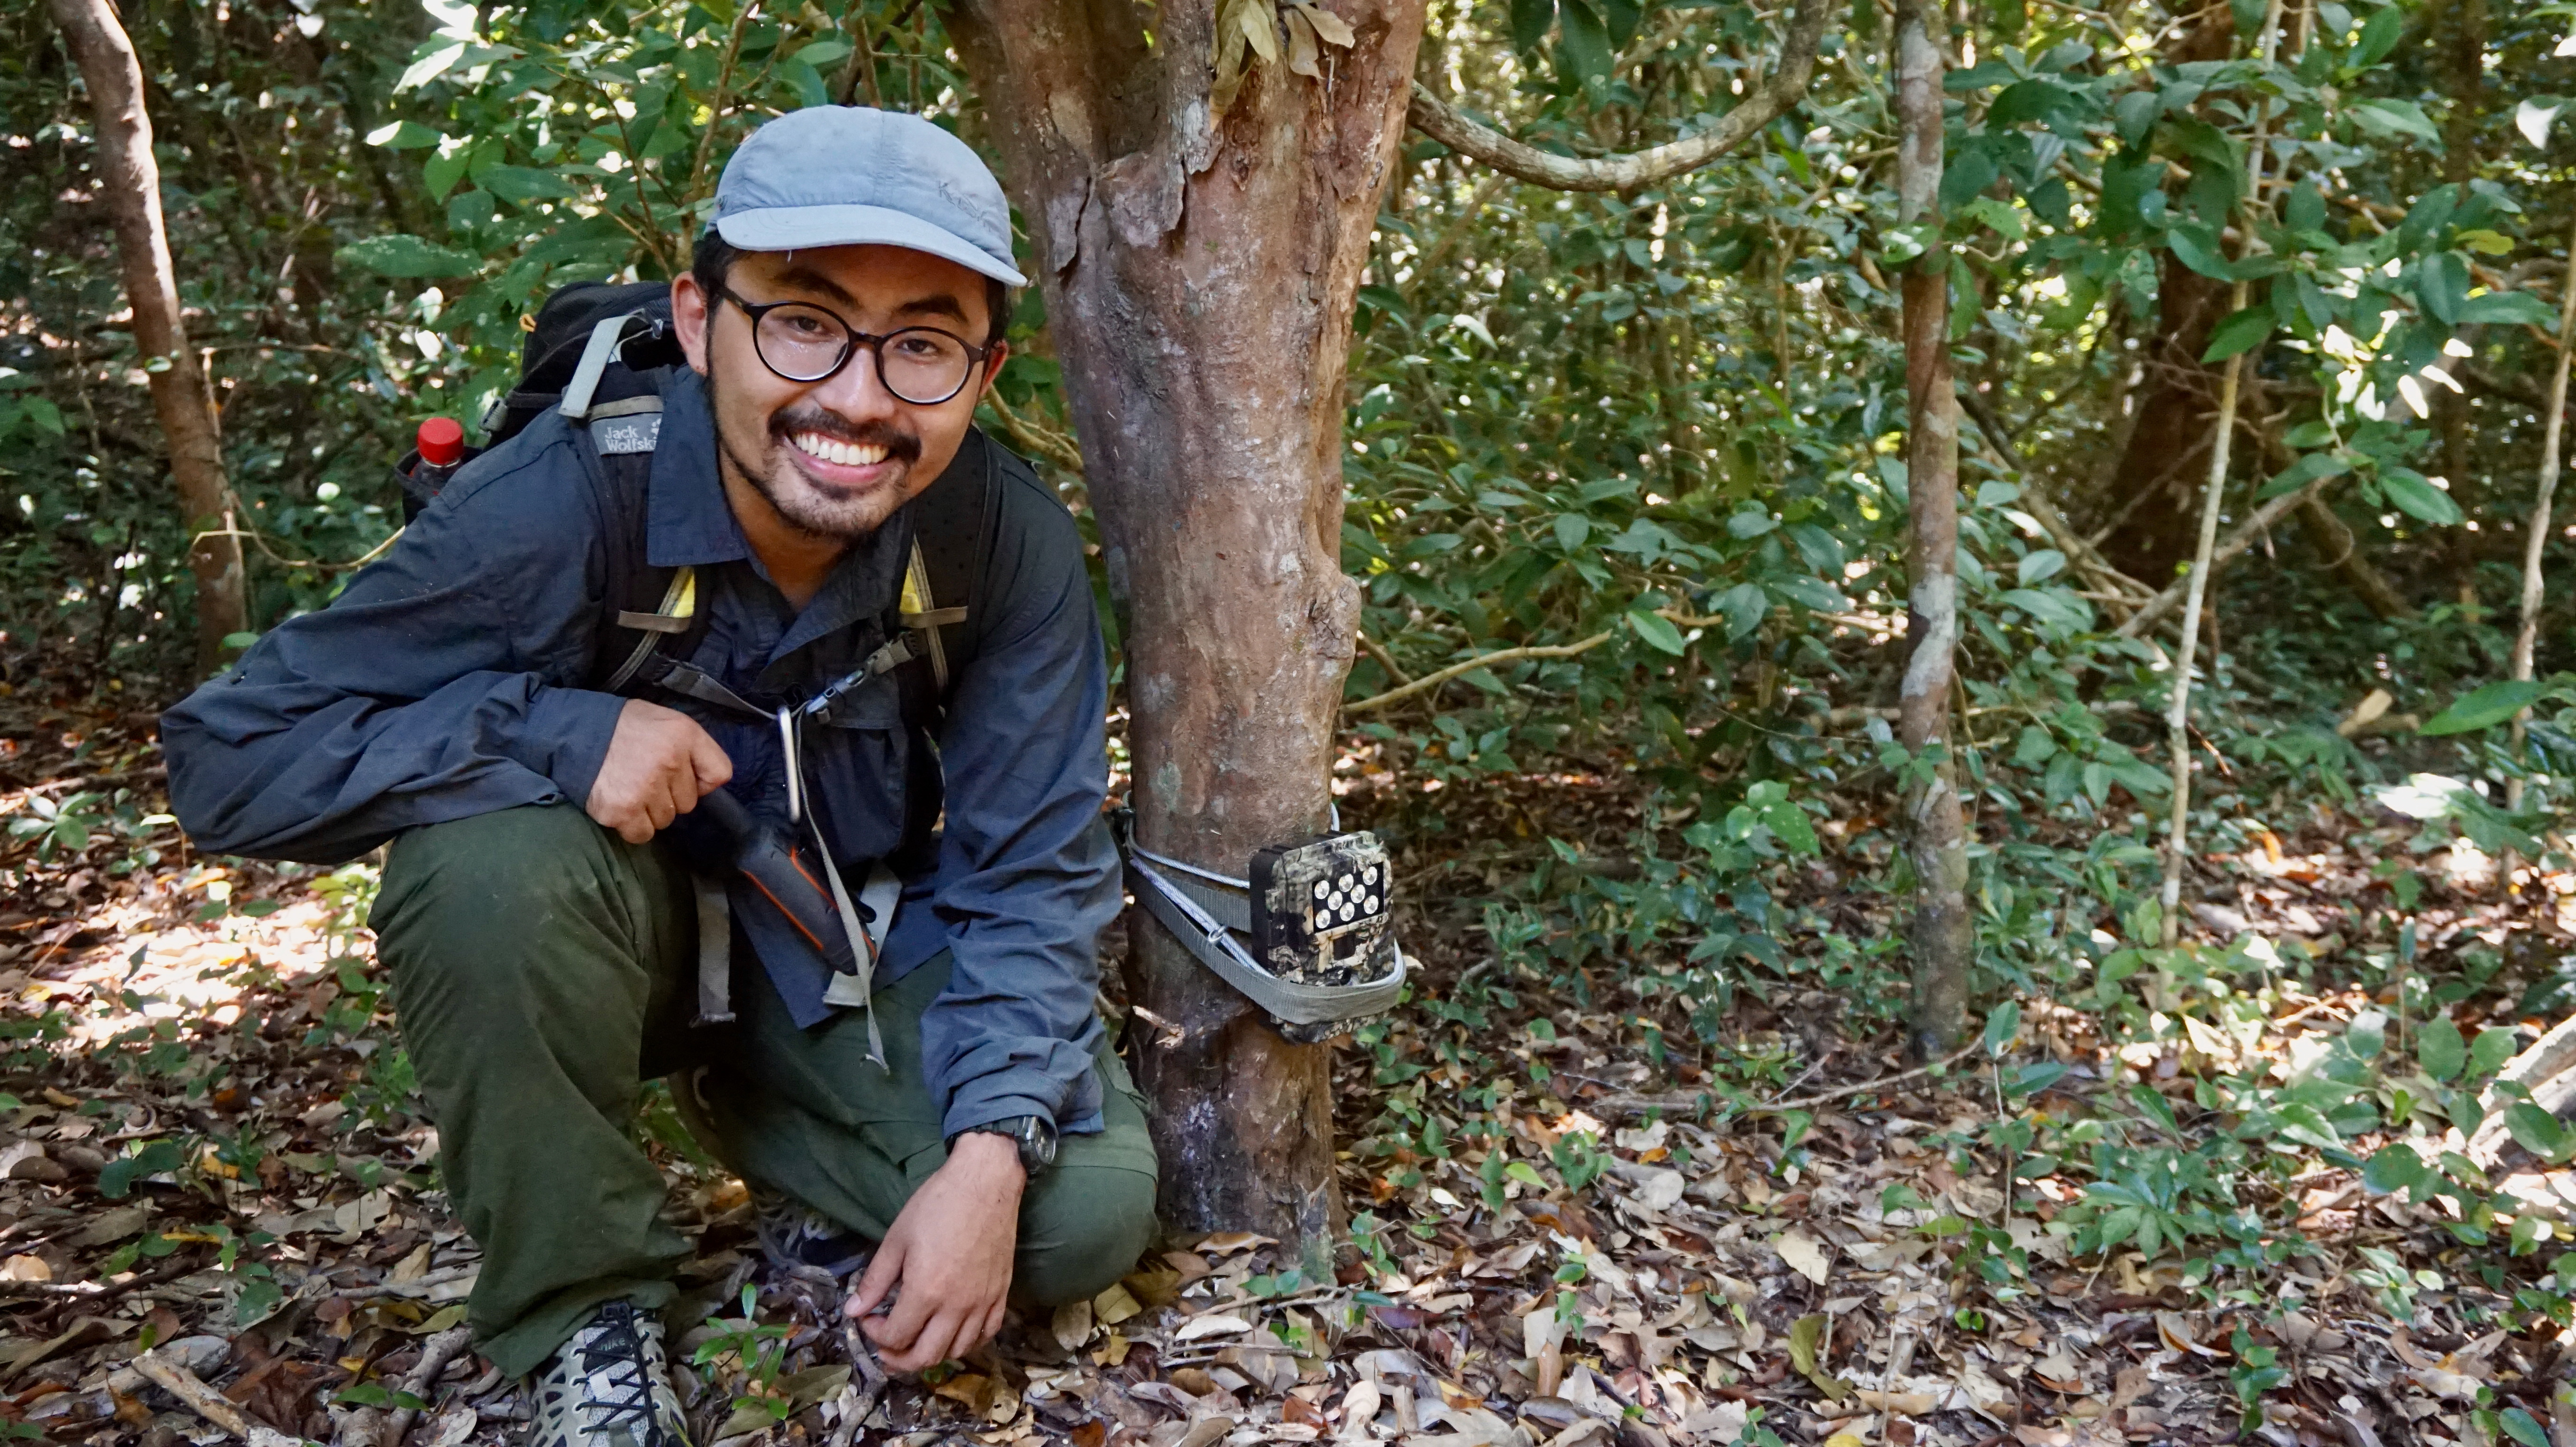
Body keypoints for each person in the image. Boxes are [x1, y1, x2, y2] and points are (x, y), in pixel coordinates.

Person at [161, 106, 1158, 1447]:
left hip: (842, 937)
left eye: (921, 345)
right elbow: (228, 757)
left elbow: (1030, 867)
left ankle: (769, 1110)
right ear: (699, 321)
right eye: (804, 323)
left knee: (1077, 1214)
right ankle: (584, 1309)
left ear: (984, 373)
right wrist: (558, 737)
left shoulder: (997, 539)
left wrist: (989, 1158)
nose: (858, 398)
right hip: (612, 944)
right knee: (486, 874)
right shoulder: (561, 502)